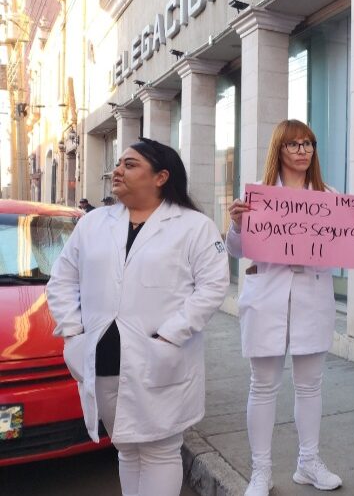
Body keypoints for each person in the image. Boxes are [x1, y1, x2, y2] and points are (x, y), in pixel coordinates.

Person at [46, 137, 229, 496]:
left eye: (130, 165)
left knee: (160, 450)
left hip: (161, 356)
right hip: (102, 358)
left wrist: (172, 334)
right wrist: (71, 332)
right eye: (118, 163)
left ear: (160, 176)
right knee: (126, 447)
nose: (117, 170)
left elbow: (212, 286)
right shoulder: (94, 223)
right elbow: (62, 278)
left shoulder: (193, 226)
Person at [226, 120, 343, 495]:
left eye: (308, 143)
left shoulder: (328, 195)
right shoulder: (257, 197)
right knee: (263, 385)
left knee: (310, 385)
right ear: (279, 149)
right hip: (267, 297)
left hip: (312, 294)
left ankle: (308, 462)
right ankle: (261, 471)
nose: (302, 150)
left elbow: (339, 251)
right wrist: (237, 225)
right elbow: (236, 250)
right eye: (293, 144)